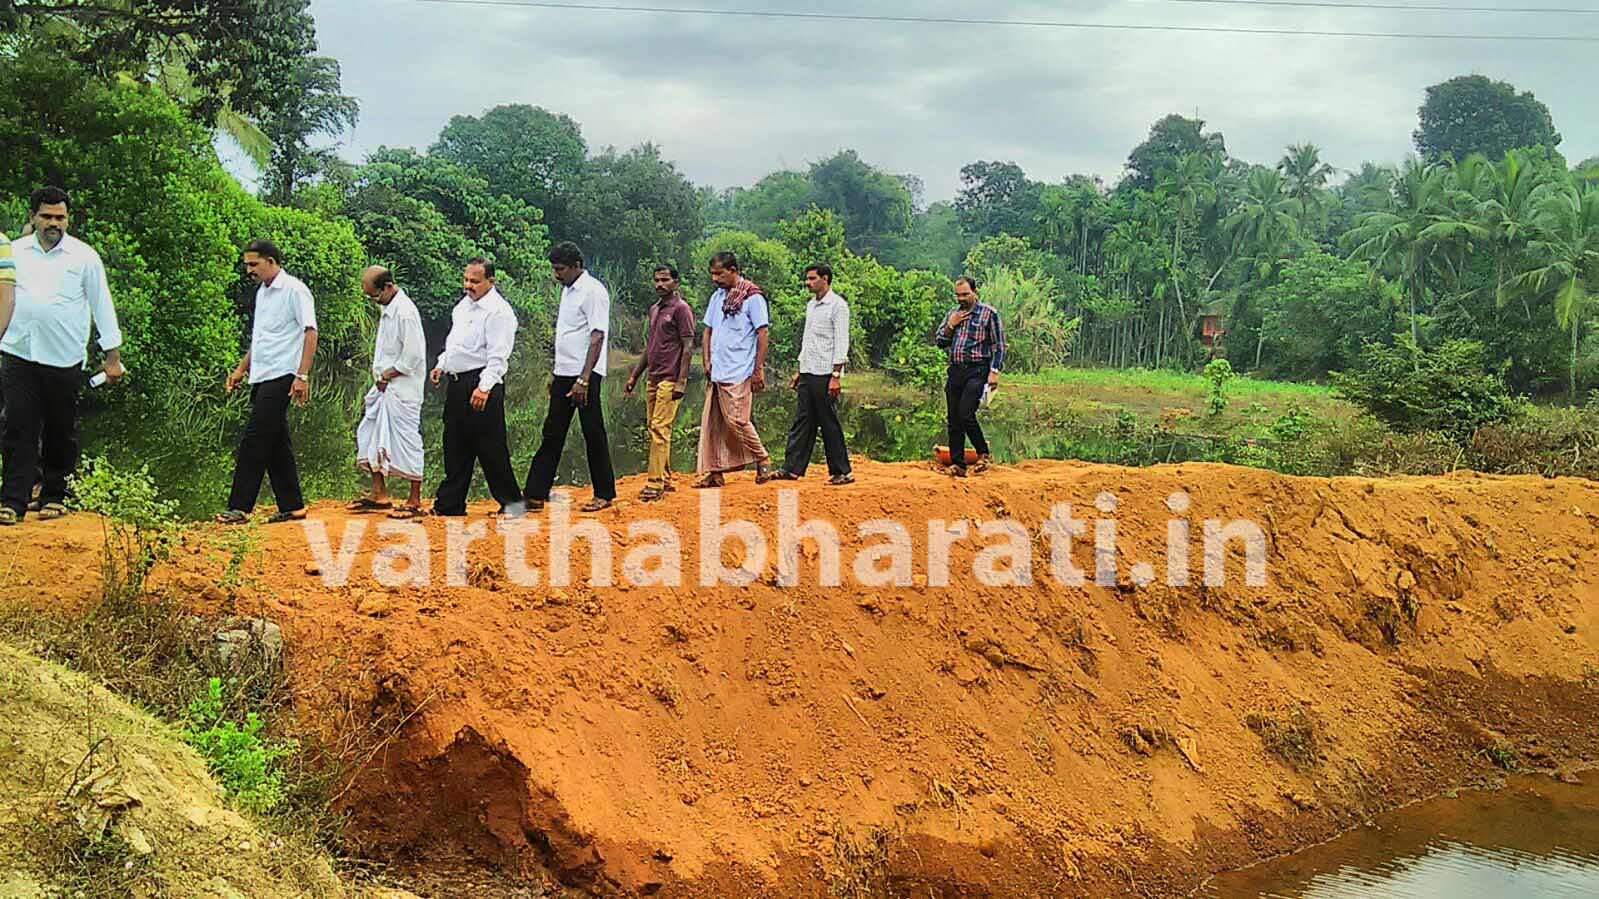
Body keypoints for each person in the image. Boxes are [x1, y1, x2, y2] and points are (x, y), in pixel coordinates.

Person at [0, 187, 124, 526]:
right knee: (17, 425)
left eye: (60, 217)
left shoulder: (83, 257)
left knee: (61, 429)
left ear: (68, 219)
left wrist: (112, 357)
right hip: (18, 351)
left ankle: (54, 495)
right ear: (32, 217)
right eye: (47, 216)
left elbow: (102, 305)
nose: (54, 223)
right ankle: (13, 500)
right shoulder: (14, 251)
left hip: (64, 357)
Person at [218, 239, 317, 524]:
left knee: (254, 439)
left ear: (271, 261)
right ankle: (293, 506)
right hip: (262, 373)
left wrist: (302, 375)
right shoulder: (263, 292)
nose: (249, 270)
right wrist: (239, 370)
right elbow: (260, 338)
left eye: (253, 264)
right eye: (247, 265)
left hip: (284, 373)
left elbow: (310, 332)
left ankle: (239, 507)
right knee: (275, 442)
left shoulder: (295, 290)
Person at [522, 242, 616, 513]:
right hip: (564, 373)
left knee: (592, 432)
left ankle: (604, 492)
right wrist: (557, 373)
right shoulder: (568, 291)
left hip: (584, 375)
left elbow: (597, 336)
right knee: (551, 433)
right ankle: (535, 493)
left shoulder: (593, 291)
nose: (556, 274)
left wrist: (584, 379)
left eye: (560, 269)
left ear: (576, 266)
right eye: (554, 269)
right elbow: (567, 335)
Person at [430, 257, 522, 517]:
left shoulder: (499, 312)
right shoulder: (463, 307)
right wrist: (441, 364)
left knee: (490, 447)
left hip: (481, 382)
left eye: (475, 281)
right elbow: (455, 343)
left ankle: (513, 504)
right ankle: (450, 504)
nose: (468, 286)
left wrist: (484, 387)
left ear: (491, 282)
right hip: (457, 382)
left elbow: (498, 356)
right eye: (466, 279)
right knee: (454, 444)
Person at [694, 251, 775, 487]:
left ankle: (762, 458)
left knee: (737, 420)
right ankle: (715, 472)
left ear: (732, 270)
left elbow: (762, 334)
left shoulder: (753, 298)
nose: (715, 278)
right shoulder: (717, 298)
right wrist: (706, 360)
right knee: (714, 423)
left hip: (739, 369)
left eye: (719, 273)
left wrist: (758, 370)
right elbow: (708, 330)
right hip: (718, 369)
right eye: (712, 274)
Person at [352, 266, 427, 518]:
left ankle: (414, 499)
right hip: (383, 388)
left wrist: (389, 373)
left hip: (402, 388)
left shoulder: (405, 312)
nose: (374, 301)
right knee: (370, 431)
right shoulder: (388, 310)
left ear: (388, 287)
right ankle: (379, 493)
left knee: (407, 439)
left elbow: (413, 356)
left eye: (375, 296)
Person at [770, 263, 852, 485]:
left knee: (828, 422)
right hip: (808, 370)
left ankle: (842, 471)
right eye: (807, 279)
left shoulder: (838, 306)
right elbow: (808, 341)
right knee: (802, 420)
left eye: (812, 278)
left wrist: (836, 375)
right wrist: (799, 370)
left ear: (825, 279)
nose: (808, 283)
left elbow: (841, 341)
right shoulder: (811, 306)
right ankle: (791, 467)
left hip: (825, 372)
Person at [622, 264, 695, 502]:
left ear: (676, 282)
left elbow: (687, 347)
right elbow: (650, 346)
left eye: (665, 280)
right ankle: (663, 476)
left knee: (659, 428)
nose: (659, 284)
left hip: (670, 377)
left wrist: (682, 381)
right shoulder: (654, 309)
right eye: (656, 280)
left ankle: (655, 483)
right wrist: (635, 375)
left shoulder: (681, 309)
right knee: (657, 427)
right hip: (653, 377)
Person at [935, 275, 1005, 477]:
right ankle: (958, 464)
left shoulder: (988, 314)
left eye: (965, 294)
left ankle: (983, 452)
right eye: (958, 295)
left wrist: (994, 371)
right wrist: (951, 325)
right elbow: (940, 341)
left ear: (975, 292)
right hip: (955, 370)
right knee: (953, 418)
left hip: (977, 370)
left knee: (965, 413)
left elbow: (998, 345)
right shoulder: (953, 314)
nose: (961, 299)